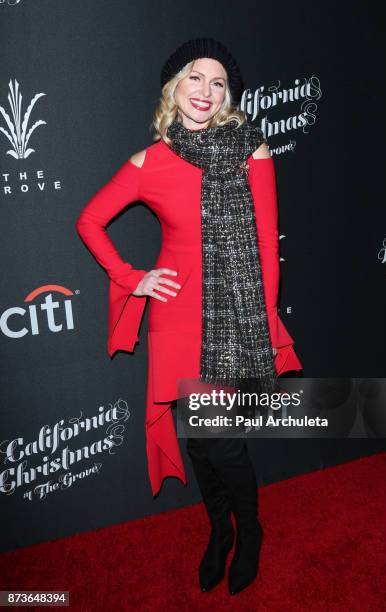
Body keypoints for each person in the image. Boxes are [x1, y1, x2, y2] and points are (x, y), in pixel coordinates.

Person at [76, 37, 302, 595]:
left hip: (237, 316)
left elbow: (268, 245)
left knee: (220, 438)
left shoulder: (254, 148)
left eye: (218, 82)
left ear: (228, 95)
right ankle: (218, 532)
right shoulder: (149, 162)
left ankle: (247, 531)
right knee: (199, 441)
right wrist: (135, 278)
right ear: (174, 87)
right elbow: (89, 221)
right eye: (195, 78)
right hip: (177, 316)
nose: (206, 91)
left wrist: (264, 321)